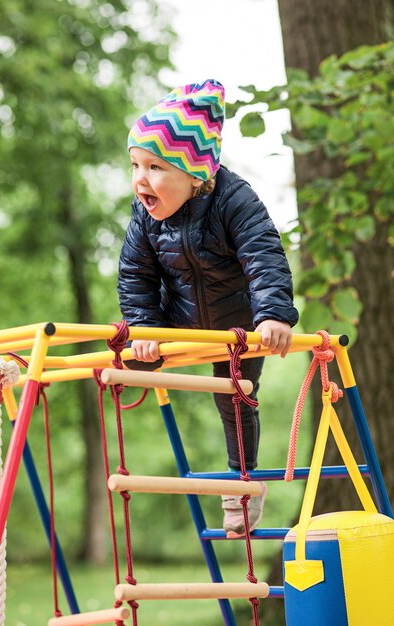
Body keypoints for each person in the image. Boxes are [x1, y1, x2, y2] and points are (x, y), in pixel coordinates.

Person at [117, 79, 299, 537]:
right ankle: (146, 347)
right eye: (136, 164)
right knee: (131, 346)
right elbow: (136, 275)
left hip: (238, 325)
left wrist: (273, 315)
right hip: (181, 320)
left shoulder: (234, 200)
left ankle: (242, 485)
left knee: (234, 396)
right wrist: (145, 329)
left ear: (195, 175)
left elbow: (264, 256)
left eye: (156, 167)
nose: (141, 179)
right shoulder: (144, 216)